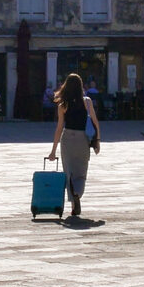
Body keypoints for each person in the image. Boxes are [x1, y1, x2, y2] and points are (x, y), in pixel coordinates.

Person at [47, 73, 101, 218]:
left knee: (69, 172)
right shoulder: (87, 102)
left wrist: (53, 151)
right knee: (81, 172)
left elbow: (59, 128)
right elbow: (95, 122)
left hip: (67, 139)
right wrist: (97, 141)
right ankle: (78, 193)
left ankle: (73, 203)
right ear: (80, 86)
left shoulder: (62, 105)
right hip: (82, 139)